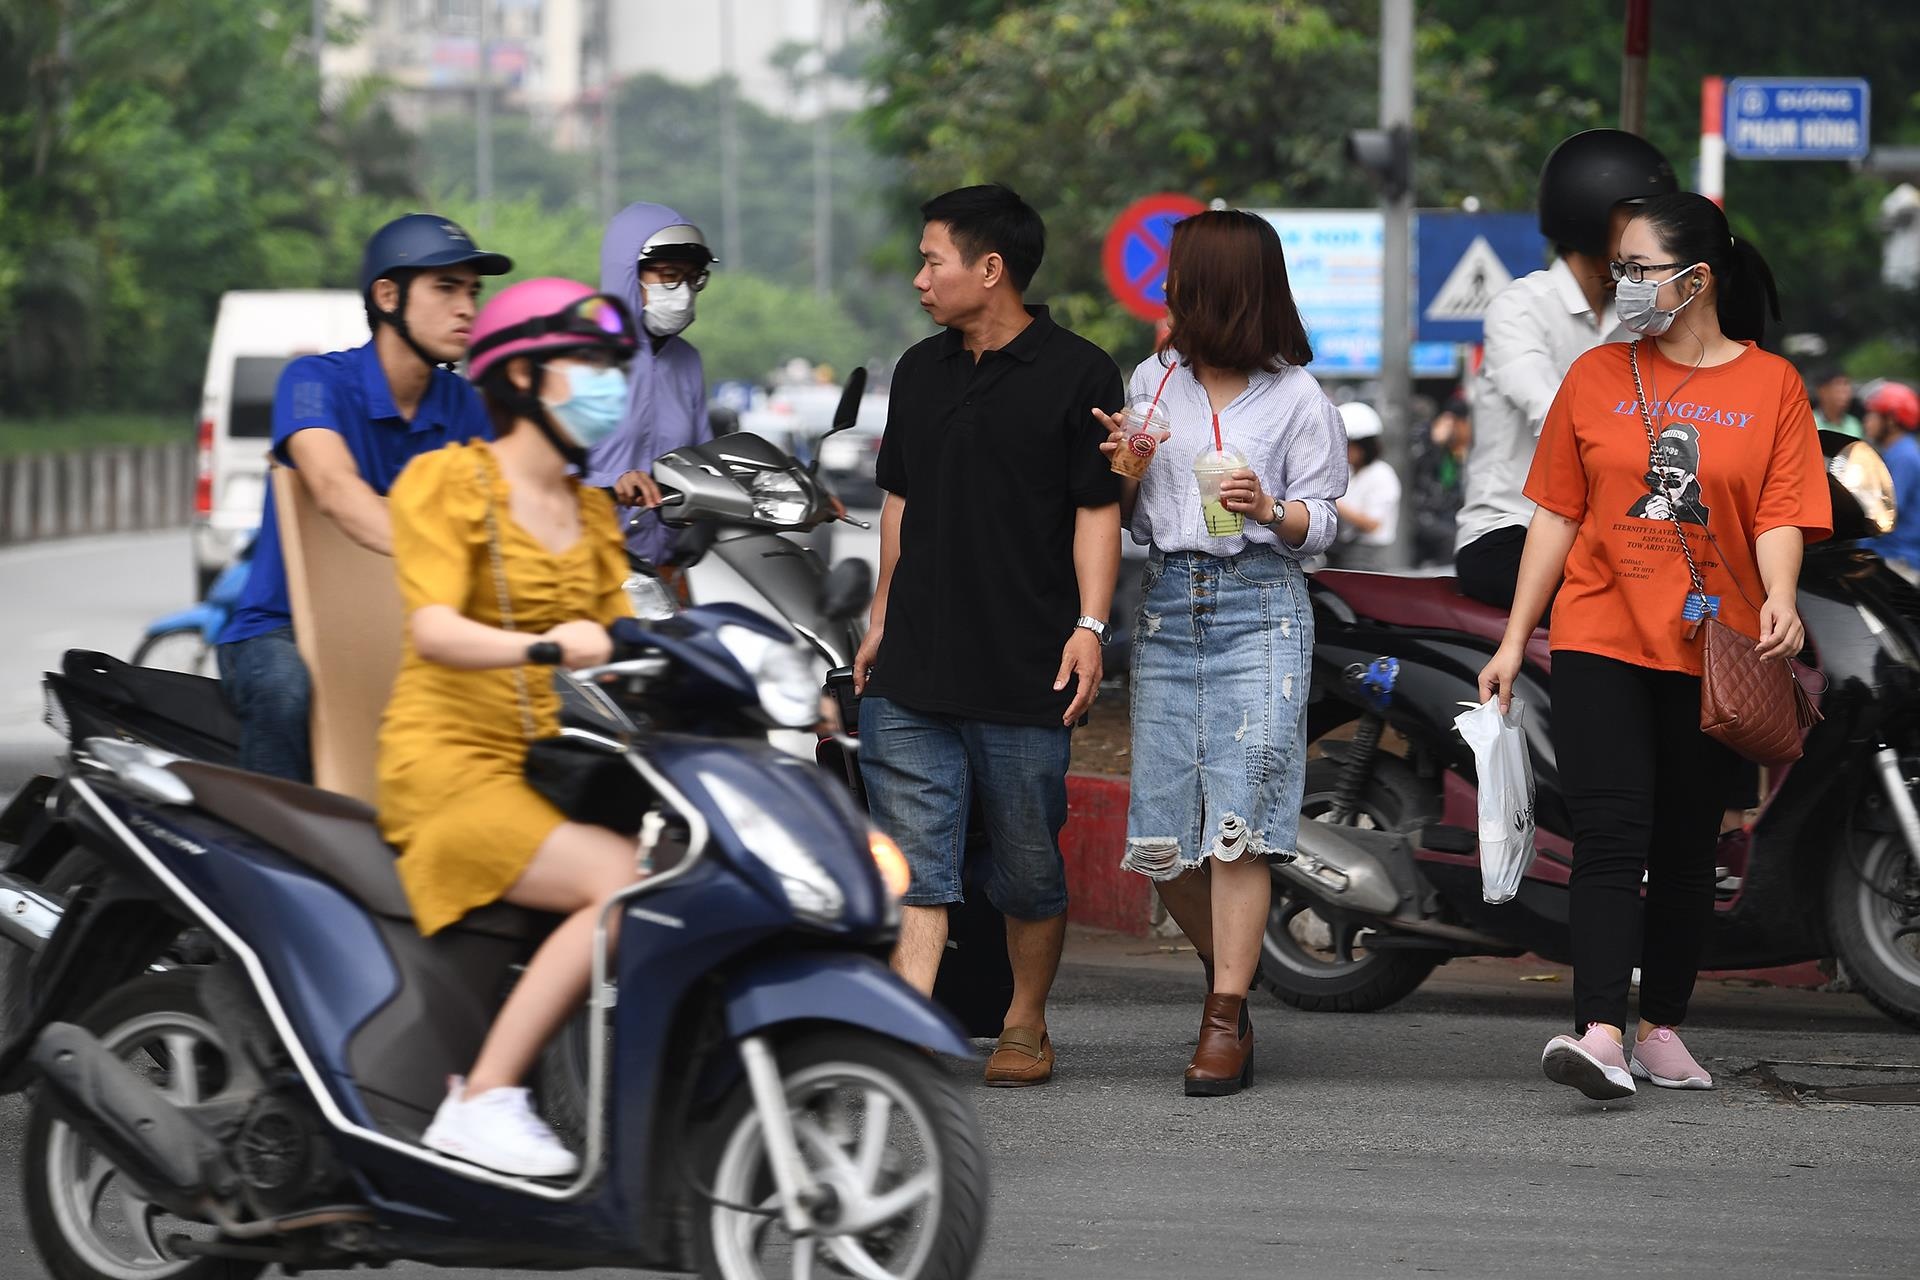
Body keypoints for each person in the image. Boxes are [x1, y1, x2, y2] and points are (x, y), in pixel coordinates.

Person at [1478, 193, 1830, 1102]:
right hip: (1600, 633)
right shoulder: (1597, 377)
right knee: (1609, 832)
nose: (1620, 284)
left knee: (1683, 847)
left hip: (1717, 646)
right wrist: (1517, 640)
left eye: (1636, 269)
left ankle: (1662, 1024)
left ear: (1697, 278)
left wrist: (1782, 598)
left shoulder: (1772, 387)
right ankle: (1599, 1029)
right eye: (1617, 269)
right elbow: (1555, 513)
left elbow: (1784, 511)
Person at [851, 183, 1122, 1088]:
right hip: (915, 663)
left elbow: (1095, 510)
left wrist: (1089, 626)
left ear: (990, 269)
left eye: (934, 260)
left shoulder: (1081, 372)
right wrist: (881, 618)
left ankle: (1025, 1019)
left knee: (1026, 867)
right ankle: (905, 1033)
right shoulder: (919, 370)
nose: (920, 278)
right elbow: (900, 504)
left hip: (1024, 664)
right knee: (917, 863)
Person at [378, 278, 645, 1176]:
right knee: (619, 881)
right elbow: (433, 629)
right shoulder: (448, 483)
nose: (612, 382)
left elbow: (631, 642)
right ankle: (485, 1097)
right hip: (449, 765)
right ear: (525, 375)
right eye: (592, 364)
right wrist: (541, 647)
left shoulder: (595, 509)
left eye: (616, 365)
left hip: (557, 766)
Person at [1095, 209, 1346, 1096]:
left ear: (1219, 289)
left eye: (1183, 274)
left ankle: (1224, 1020)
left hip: (1262, 608)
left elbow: (1324, 524)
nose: (1168, 288)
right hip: (1167, 606)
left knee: (1241, 829)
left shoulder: (1297, 398)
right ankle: (1229, 979)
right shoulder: (1153, 381)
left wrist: (1269, 506)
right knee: (1164, 839)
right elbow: (1123, 521)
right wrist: (1124, 469)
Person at [215, 214, 512, 782]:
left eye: (473, 291)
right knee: (284, 688)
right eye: (446, 288)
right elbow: (334, 489)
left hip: (406, 624)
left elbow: (506, 506)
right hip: (282, 626)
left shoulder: (465, 405)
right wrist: (436, 551)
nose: (468, 308)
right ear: (388, 295)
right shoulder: (313, 382)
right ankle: (264, 854)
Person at [1455, 130, 1678, 609]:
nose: (1655, 232)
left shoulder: (1639, 319)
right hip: (1509, 534)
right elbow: (1555, 415)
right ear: (1589, 212)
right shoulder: (1520, 307)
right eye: (1639, 216)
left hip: (1608, 536)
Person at [587, 202, 716, 564]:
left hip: (660, 569)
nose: (685, 292)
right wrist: (610, 480)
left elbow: (702, 461)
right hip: (583, 566)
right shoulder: (579, 354)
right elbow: (537, 469)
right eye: (670, 275)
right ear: (629, 273)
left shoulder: (687, 361)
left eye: (694, 279)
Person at [1329, 401, 1401, 570]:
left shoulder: (1381, 474)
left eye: (1348, 445)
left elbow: (1372, 523)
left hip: (1367, 557)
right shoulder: (1350, 472)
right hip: (1344, 550)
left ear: (1364, 446)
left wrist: (1334, 503)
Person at [1862, 383, 1920, 578]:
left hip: (1898, 560)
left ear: (1892, 421)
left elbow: (1886, 511)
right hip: (1889, 555)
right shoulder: (1897, 452)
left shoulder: (1904, 456)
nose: (1867, 421)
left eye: (1873, 415)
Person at [1412, 394, 1472, 567]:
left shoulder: (1454, 450)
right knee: (1450, 538)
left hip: (1444, 515)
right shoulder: (1425, 439)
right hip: (1421, 515)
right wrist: (1433, 443)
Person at [1809, 367, 1864, 439]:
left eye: (1846, 384)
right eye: (1838, 384)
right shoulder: (1809, 423)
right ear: (1822, 391)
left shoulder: (1854, 424)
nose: (1845, 391)